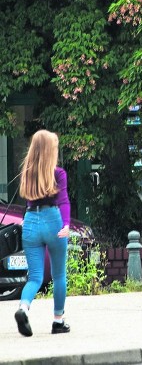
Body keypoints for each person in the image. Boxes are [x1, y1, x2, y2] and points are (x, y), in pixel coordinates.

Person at [14, 130, 71, 337]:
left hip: (30, 222)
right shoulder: (58, 173)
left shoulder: (27, 173)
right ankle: (58, 321)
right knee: (58, 276)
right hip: (53, 222)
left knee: (35, 277)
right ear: (50, 151)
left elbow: (27, 199)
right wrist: (65, 224)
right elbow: (63, 201)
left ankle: (23, 308)